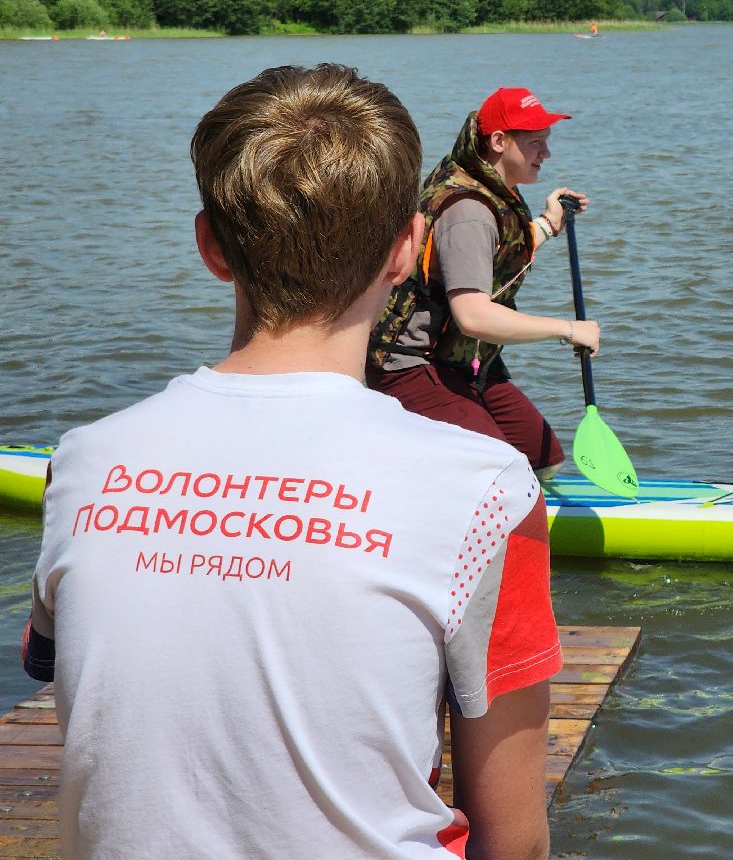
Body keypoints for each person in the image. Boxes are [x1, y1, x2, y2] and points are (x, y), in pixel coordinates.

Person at [23, 64, 561, 859]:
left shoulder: (84, 462)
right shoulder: (489, 490)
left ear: (210, 246)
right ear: (407, 249)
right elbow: (514, 842)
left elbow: (52, 665)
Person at [368, 86, 599, 475]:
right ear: (498, 141)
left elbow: (487, 257)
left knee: (544, 460)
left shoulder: (485, 186)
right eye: (536, 143)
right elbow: (473, 316)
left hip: (462, 360)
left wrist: (546, 224)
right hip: (409, 363)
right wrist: (568, 329)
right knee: (502, 469)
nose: (546, 154)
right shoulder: (470, 209)